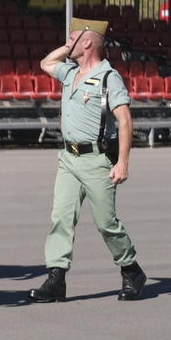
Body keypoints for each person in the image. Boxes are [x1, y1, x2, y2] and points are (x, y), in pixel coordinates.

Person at [29, 18, 147, 303]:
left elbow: (125, 121)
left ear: (87, 42)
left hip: (96, 160)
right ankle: (56, 279)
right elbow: (46, 63)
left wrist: (123, 162)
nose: (67, 43)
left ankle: (131, 270)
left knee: (106, 223)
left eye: (72, 38)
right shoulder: (70, 73)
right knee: (61, 218)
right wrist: (67, 45)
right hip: (68, 158)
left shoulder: (109, 78)